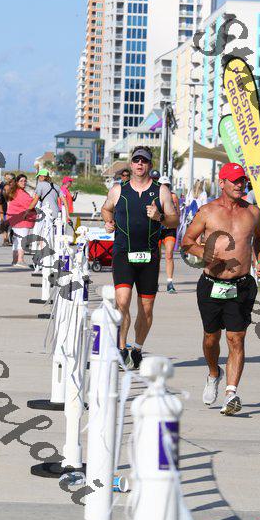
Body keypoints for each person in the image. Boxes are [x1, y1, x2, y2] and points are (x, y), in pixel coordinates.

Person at [182, 162, 260, 416]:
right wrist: (204, 253)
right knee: (211, 339)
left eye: (242, 181)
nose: (240, 185)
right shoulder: (207, 211)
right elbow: (187, 241)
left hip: (241, 286)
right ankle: (213, 373)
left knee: (236, 338)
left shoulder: (253, 212)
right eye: (235, 181)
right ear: (222, 183)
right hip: (211, 285)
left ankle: (231, 394)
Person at [101, 146, 179, 369]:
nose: (139, 164)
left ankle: (136, 349)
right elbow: (106, 209)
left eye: (143, 161)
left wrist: (160, 216)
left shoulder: (161, 191)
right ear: (131, 164)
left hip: (149, 257)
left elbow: (174, 220)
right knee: (122, 301)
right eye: (136, 160)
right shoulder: (118, 189)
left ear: (150, 165)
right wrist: (108, 221)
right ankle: (121, 349)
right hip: (123, 253)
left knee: (146, 308)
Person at [6, 174, 37, 268]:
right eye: (21, 181)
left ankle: (15, 260)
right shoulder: (20, 193)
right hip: (22, 220)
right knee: (22, 240)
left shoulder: (15, 191)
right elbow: (30, 204)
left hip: (15, 220)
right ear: (17, 182)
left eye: (25, 181)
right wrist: (37, 197)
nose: (24, 182)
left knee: (16, 241)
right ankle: (20, 260)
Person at [158, 175, 180, 293]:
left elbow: (178, 213)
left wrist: (174, 222)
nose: (166, 187)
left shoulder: (173, 197)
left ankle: (170, 282)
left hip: (169, 228)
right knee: (155, 256)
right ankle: (154, 281)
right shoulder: (155, 196)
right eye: (163, 185)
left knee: (169, 254)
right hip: (157, 229)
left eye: (167, 185)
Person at [0, 172, 15, 246]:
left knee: (11, 224)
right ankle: (5, 239)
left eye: (9, 178)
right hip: (4, 207)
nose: (8, 179)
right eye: (7, 178)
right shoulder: (3, 185)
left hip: (12, 208)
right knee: (5, 223)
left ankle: (10, 238)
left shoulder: (14, 186)